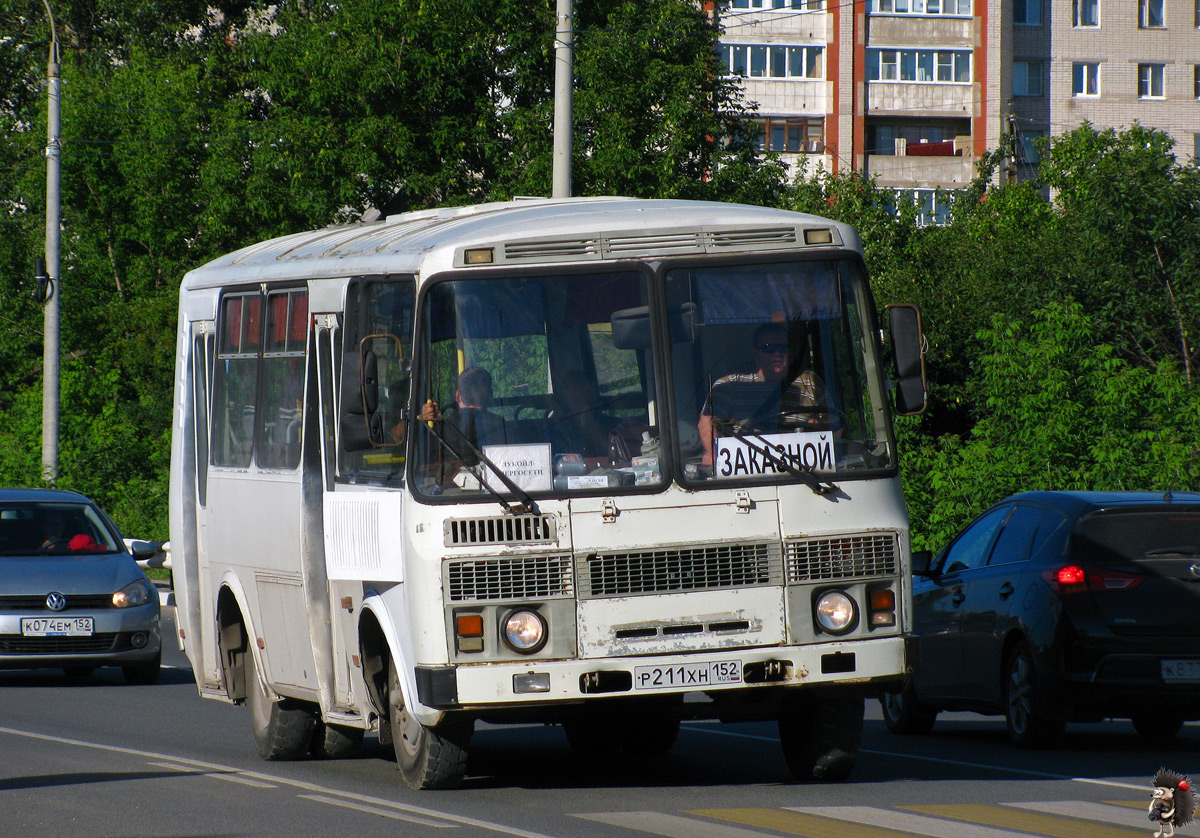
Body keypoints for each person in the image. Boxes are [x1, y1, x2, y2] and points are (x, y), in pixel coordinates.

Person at [697, 323, 831, 467]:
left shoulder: (810, 382)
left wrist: (820, 429)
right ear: (755, 352)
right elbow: (706, 422)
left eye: (783, 348)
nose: (777, 353)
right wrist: (714, 453)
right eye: (769, 348)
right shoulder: (731, 383)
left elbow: (835, 425)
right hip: (747, 470)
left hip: (804, 470)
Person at [420, 366, 507, 453]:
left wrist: (424, 423)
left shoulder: (438, 432)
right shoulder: (503, 429)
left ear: (457, 396)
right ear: (490, 396)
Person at [546, 369, 619, 457]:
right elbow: (552, 460)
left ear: (593, 395)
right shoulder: (554, 428)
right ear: (563, 397)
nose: (581, 401)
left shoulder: (611, 425)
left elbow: (615, 455)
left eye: (585, 394)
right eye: (574, 396)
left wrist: (592, 428)